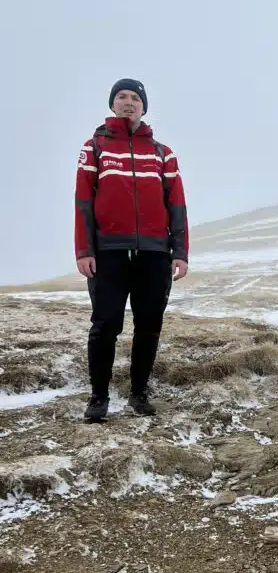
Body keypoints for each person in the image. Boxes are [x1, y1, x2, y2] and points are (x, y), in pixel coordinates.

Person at [74, 78, 189, 422]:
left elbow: (177, 204)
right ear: (112, 104)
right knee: (105, 325)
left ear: (144, 106)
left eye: (135, 98)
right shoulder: (95, 147)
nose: (128, 102)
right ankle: (99, 397)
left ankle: (139, 393)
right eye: (122, 96)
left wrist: (179, 252)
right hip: (108, 253)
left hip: (154, 254)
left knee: (149, 325)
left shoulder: (162, 153)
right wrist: (84, 250)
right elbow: (83, 201)